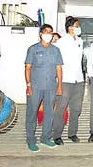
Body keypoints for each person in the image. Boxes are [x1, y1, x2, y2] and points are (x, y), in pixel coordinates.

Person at [24, 24, 62, 152]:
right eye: (46, 32)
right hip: (35, 86)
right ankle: (30, 139)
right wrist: (28, 85)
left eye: (51, 32)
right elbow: (27, 67)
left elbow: (59, 68)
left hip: (51, 86)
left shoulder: (55, 50)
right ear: (41, 34)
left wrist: (60, 86)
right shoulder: (33, 49)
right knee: (32, 113)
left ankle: (45, 137)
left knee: (49, 113)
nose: (49, 34)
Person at [53, 17, 85, 145]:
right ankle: (57, 135)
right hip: (65, 79)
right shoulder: (61, 42)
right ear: (70, 27)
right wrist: (59, 82)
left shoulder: (80, 41)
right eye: (77, 26)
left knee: (76, 109)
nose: (79, 28)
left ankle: (72, 133)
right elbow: (57, 63)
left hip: (79, 79)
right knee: (61, 108)